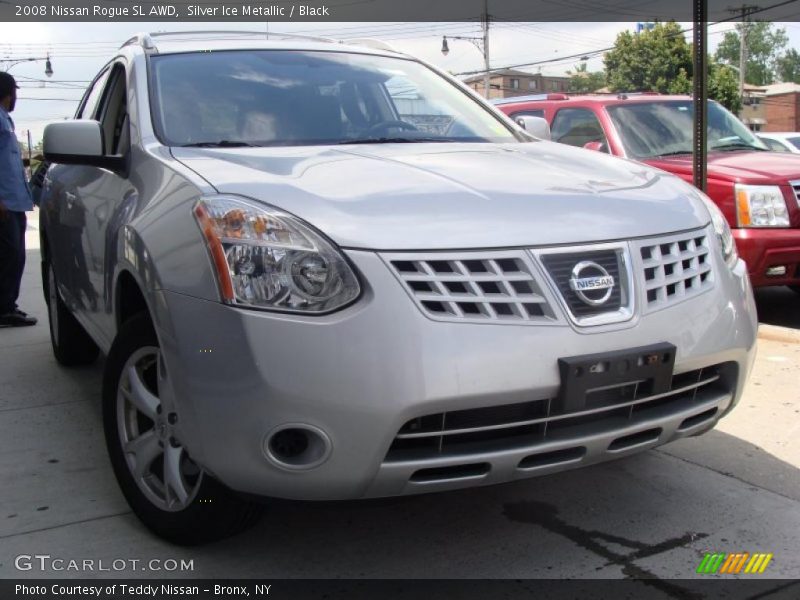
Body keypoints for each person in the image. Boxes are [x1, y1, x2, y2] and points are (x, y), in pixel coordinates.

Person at [0, 71, 36, 327]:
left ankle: (8, 306)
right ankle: (4, 309)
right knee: (10, 256)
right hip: (4, 203)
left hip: (14, 202)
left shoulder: (6, 120)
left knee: (15, 256)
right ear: (9, 93)